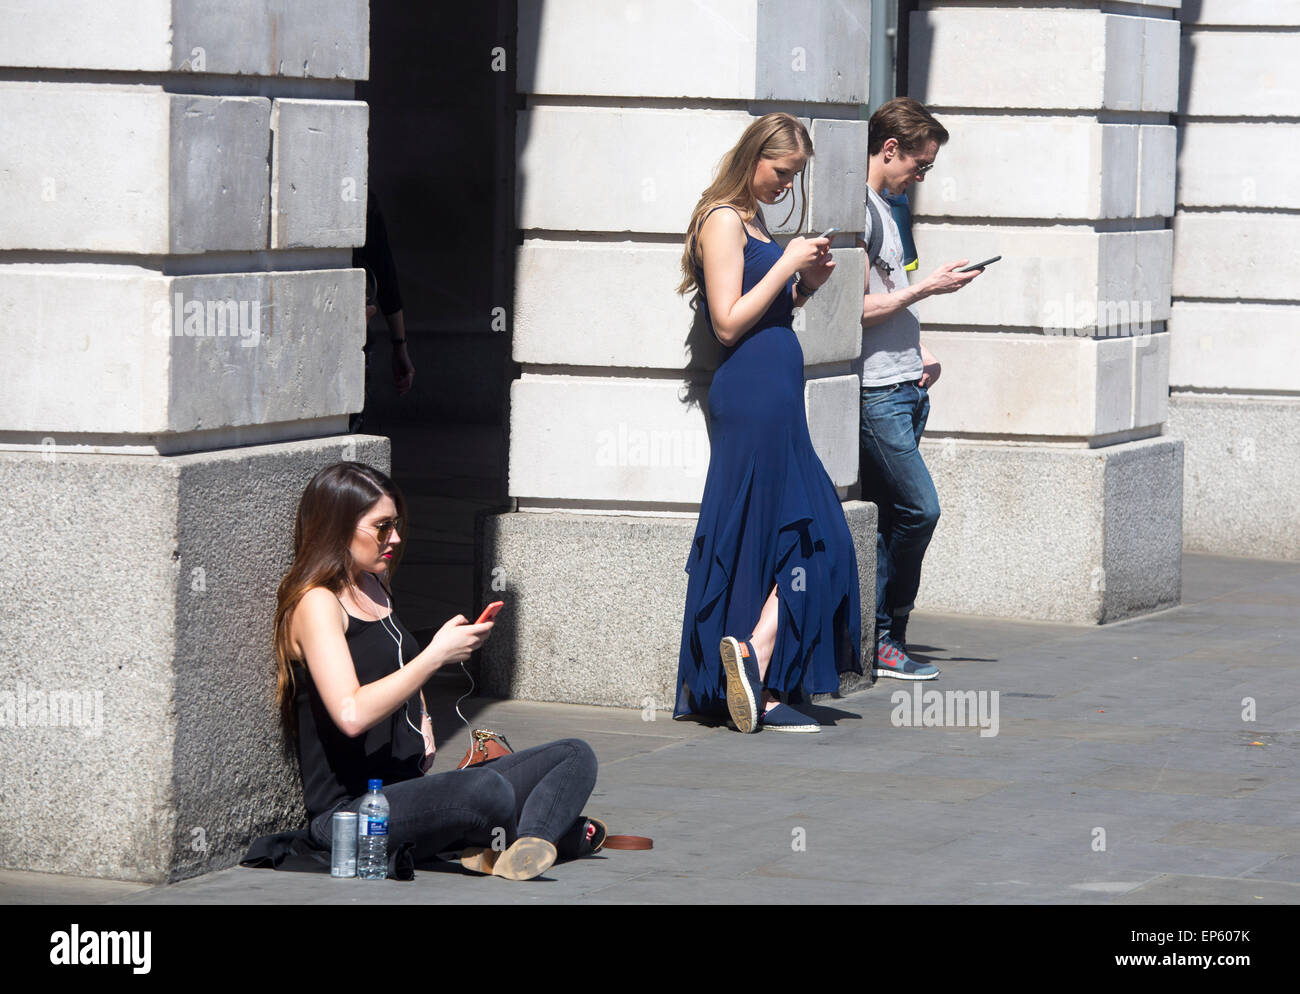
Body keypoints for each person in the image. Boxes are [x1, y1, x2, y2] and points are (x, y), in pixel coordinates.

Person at [273, 462, 599, 880]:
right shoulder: (317, 603)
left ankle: (529, 845)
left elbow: (393, 657)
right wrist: (435, 656)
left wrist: (423, 716)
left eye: (397, 524)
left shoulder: (374, 581)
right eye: (382, 526)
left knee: (573, 756)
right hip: (353, 812)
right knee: (485, 789)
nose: (395, 538)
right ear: (338, 528)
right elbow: (350, 714)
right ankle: (548, 831)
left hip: (407, 788)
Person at [674, 113, 862, 734]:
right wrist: (785, 265)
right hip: (751, 396)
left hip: (777, 396)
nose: (787, 184)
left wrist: (805, 285)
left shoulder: (753, 221)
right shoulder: (724, 219)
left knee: (808, 536)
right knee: (795, 535)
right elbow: (728, 321)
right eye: (782, 171)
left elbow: (766, 310)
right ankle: (753, 667)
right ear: (754, 156)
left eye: (796, 175)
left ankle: (751, 659)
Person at [857, 97, 981, 680]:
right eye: (920, 165)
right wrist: (927, 288)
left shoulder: (896, 210)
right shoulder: (858, 211)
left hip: (906, 382)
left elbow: (894, 291)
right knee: (919, 509)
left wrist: (921, 349)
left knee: (891, 515)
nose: (922, 176)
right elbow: (854, 309)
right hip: (875, 391)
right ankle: (885, 633)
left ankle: (881, 636)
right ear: (890, 150)